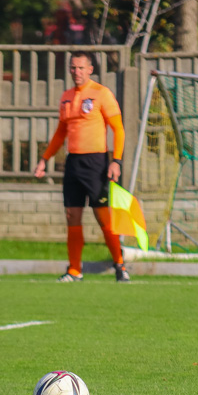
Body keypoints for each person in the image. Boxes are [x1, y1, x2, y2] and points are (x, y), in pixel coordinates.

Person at [33, 50, 129, 283]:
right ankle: (74, 270)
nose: (76, 72)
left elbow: (118, 128)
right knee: (71, 215)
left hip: (96, 163)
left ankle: (120, 264)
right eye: (73, 68)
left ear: (90, 69)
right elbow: (61, 132)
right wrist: (44, 158)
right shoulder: (66, 96)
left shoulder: (101, 93)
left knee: (103, 217)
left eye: (81, 68)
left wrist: (116, 161)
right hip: (73, 163)